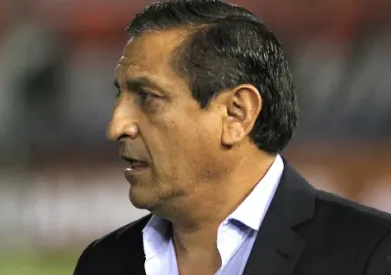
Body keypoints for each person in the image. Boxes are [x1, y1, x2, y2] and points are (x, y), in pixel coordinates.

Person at [73, 1, 391, 274]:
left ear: (237, 114)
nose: (116, 126)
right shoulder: (102, 263)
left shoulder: (370, 254)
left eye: (147, 97)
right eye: (120, 96)